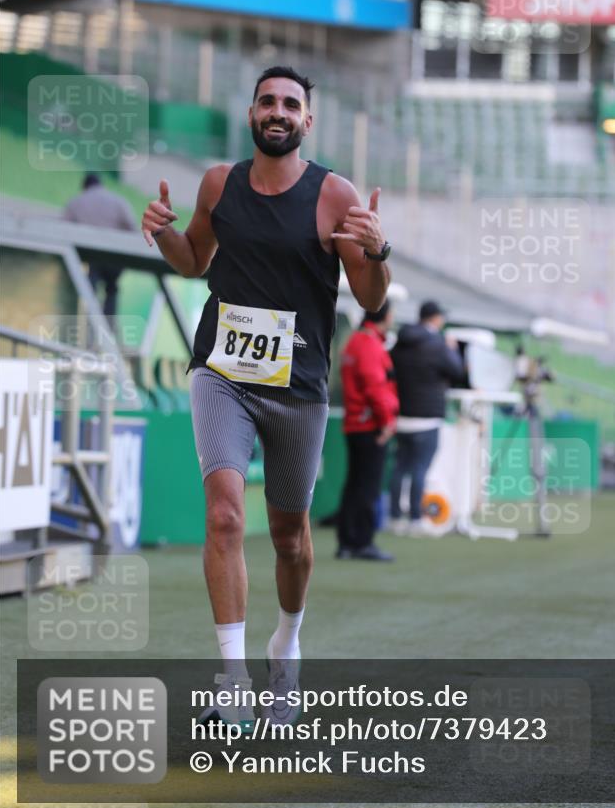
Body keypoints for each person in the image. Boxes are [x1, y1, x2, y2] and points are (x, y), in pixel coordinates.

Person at [141, 65, 391, 728]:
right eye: (266, 101)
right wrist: (162, 231)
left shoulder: (333, 196)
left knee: (289, 539)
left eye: (290, 104)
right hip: (221, 372)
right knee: (224, 514)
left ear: (307, 120)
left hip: (298, 388)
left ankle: (287, 643)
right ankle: (232, 678)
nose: (276, 111)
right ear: (251, 114)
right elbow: (194, 260)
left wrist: (378, 250)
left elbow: (370, 299)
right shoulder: (219, 183)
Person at [388, 300, 466, 535]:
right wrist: (452, 349)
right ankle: (415, 519)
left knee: (400, 468)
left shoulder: (400, 343)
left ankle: (394, 519)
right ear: (434, 318)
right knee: (420, 468)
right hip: (428, 416)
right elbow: (457, 370)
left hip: (402, 415)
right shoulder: (437, 344)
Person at [336, 299, 399, 562]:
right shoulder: (369, 344)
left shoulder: (355, 341)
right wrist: (386, 421)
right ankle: (361, 542)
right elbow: (375, 386)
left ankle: (348, 542)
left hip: (357, 422)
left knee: (355, 484)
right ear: (385, 315)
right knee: (367, 486)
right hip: (369, 423)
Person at [63, 173, 137, 318]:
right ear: (100, 184)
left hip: (91, 257)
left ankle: (91, 325)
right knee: (112, 288)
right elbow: (132, 228)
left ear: (85, 187)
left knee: (90, 290)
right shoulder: (118, 201)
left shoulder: (77, 202)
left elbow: (64, 227)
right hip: (115, 257)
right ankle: (108, 326)